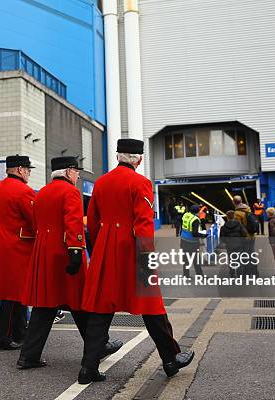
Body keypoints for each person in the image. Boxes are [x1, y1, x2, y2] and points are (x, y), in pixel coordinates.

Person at [80, 139, 194, 384]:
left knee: (101, 310)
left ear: (118, 156)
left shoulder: (101, 183)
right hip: (133, 253)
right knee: (152, 308)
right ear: (139, 159)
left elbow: (93, 222)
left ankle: (87, 369)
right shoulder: (140, 183)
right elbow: (143, 226)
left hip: (105, 251)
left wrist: (99, 249)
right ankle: (171, 360)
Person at [18, 156, 122, 369]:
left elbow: (36, 223)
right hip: (65, 254)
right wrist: (76, 251)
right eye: (76, 171)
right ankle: (99, 345)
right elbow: (73, 224)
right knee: (80, 302)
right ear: (67, 172)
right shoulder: (71, 192)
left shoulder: (42, 193)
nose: (78, 175)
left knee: (44, 305)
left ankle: (28, 356)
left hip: (44, 253)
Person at [0, 155, 35, 350]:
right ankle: (3, 338)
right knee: (13, 295)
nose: (28, 173)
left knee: (15, 294)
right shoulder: (24, 191)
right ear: (20, 169)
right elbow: (34, 220)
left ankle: (20, 333)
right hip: (18, 248)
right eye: (28, 170)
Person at [232, 195, 258, 276]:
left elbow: (237, 227)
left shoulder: (237, 213)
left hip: (244, 238)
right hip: (252, 235)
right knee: (252, 253)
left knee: (244, 255)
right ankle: (255, 272)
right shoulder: (248, 209)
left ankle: (246, 273)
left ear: (234, 202)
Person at [219, 210, 248, 278]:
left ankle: (232, 273)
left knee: (231, 259)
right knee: (239, 259)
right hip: (239, 244)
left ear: (227, 217)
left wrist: (226, 242)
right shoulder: (239, 224)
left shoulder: (223, 227)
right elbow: (244, 233)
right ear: (234, 216)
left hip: (229, 245)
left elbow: (222, 238)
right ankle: (239, 273)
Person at [180, 205, 207, 277]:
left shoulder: (186, 215)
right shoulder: (195, 220)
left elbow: (182, 226)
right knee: (196, 259)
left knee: (186, 259)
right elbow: (195, 233)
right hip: (192, 242)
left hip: (183, 240)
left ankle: (186, 275)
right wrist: (204, 235)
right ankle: (200, 275)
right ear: (197, 211)